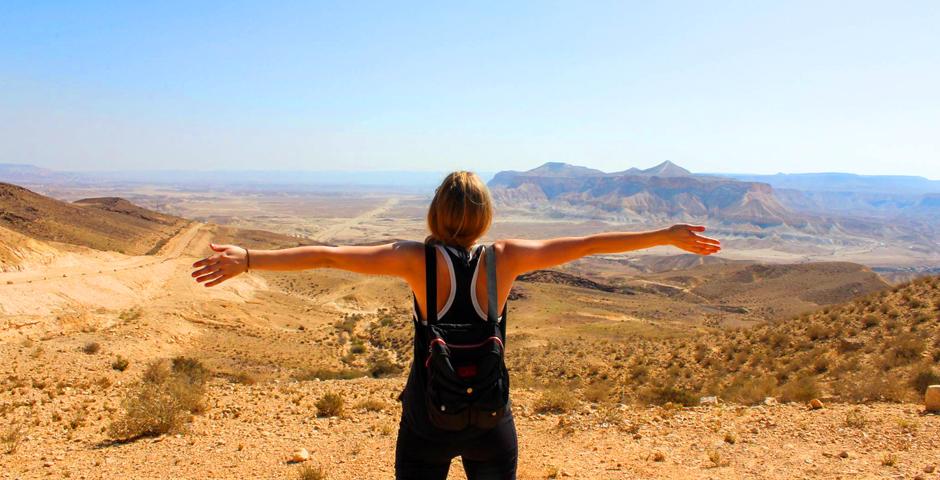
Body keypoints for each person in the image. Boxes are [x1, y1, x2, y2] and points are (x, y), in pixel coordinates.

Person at [191, 171, 721, 479]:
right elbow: (586, 245)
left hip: (427, 420)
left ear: (434, 213)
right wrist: (664, 234)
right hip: (491, 420)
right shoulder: (506, 258)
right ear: (485, 217)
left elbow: (329, 256)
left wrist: (250, 259)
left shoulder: (412, 260)